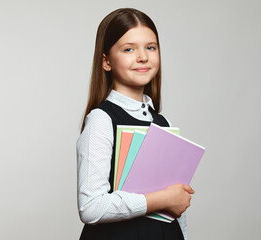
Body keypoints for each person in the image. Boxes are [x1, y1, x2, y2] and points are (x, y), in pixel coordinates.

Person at [77, 8, 195, 240]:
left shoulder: (164, 123)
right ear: (106, 61)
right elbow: (91, 207)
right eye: (129, 49)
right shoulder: (102, 120)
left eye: (150, 47)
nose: (143, 57)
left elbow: (176, 214)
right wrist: (163, 199)